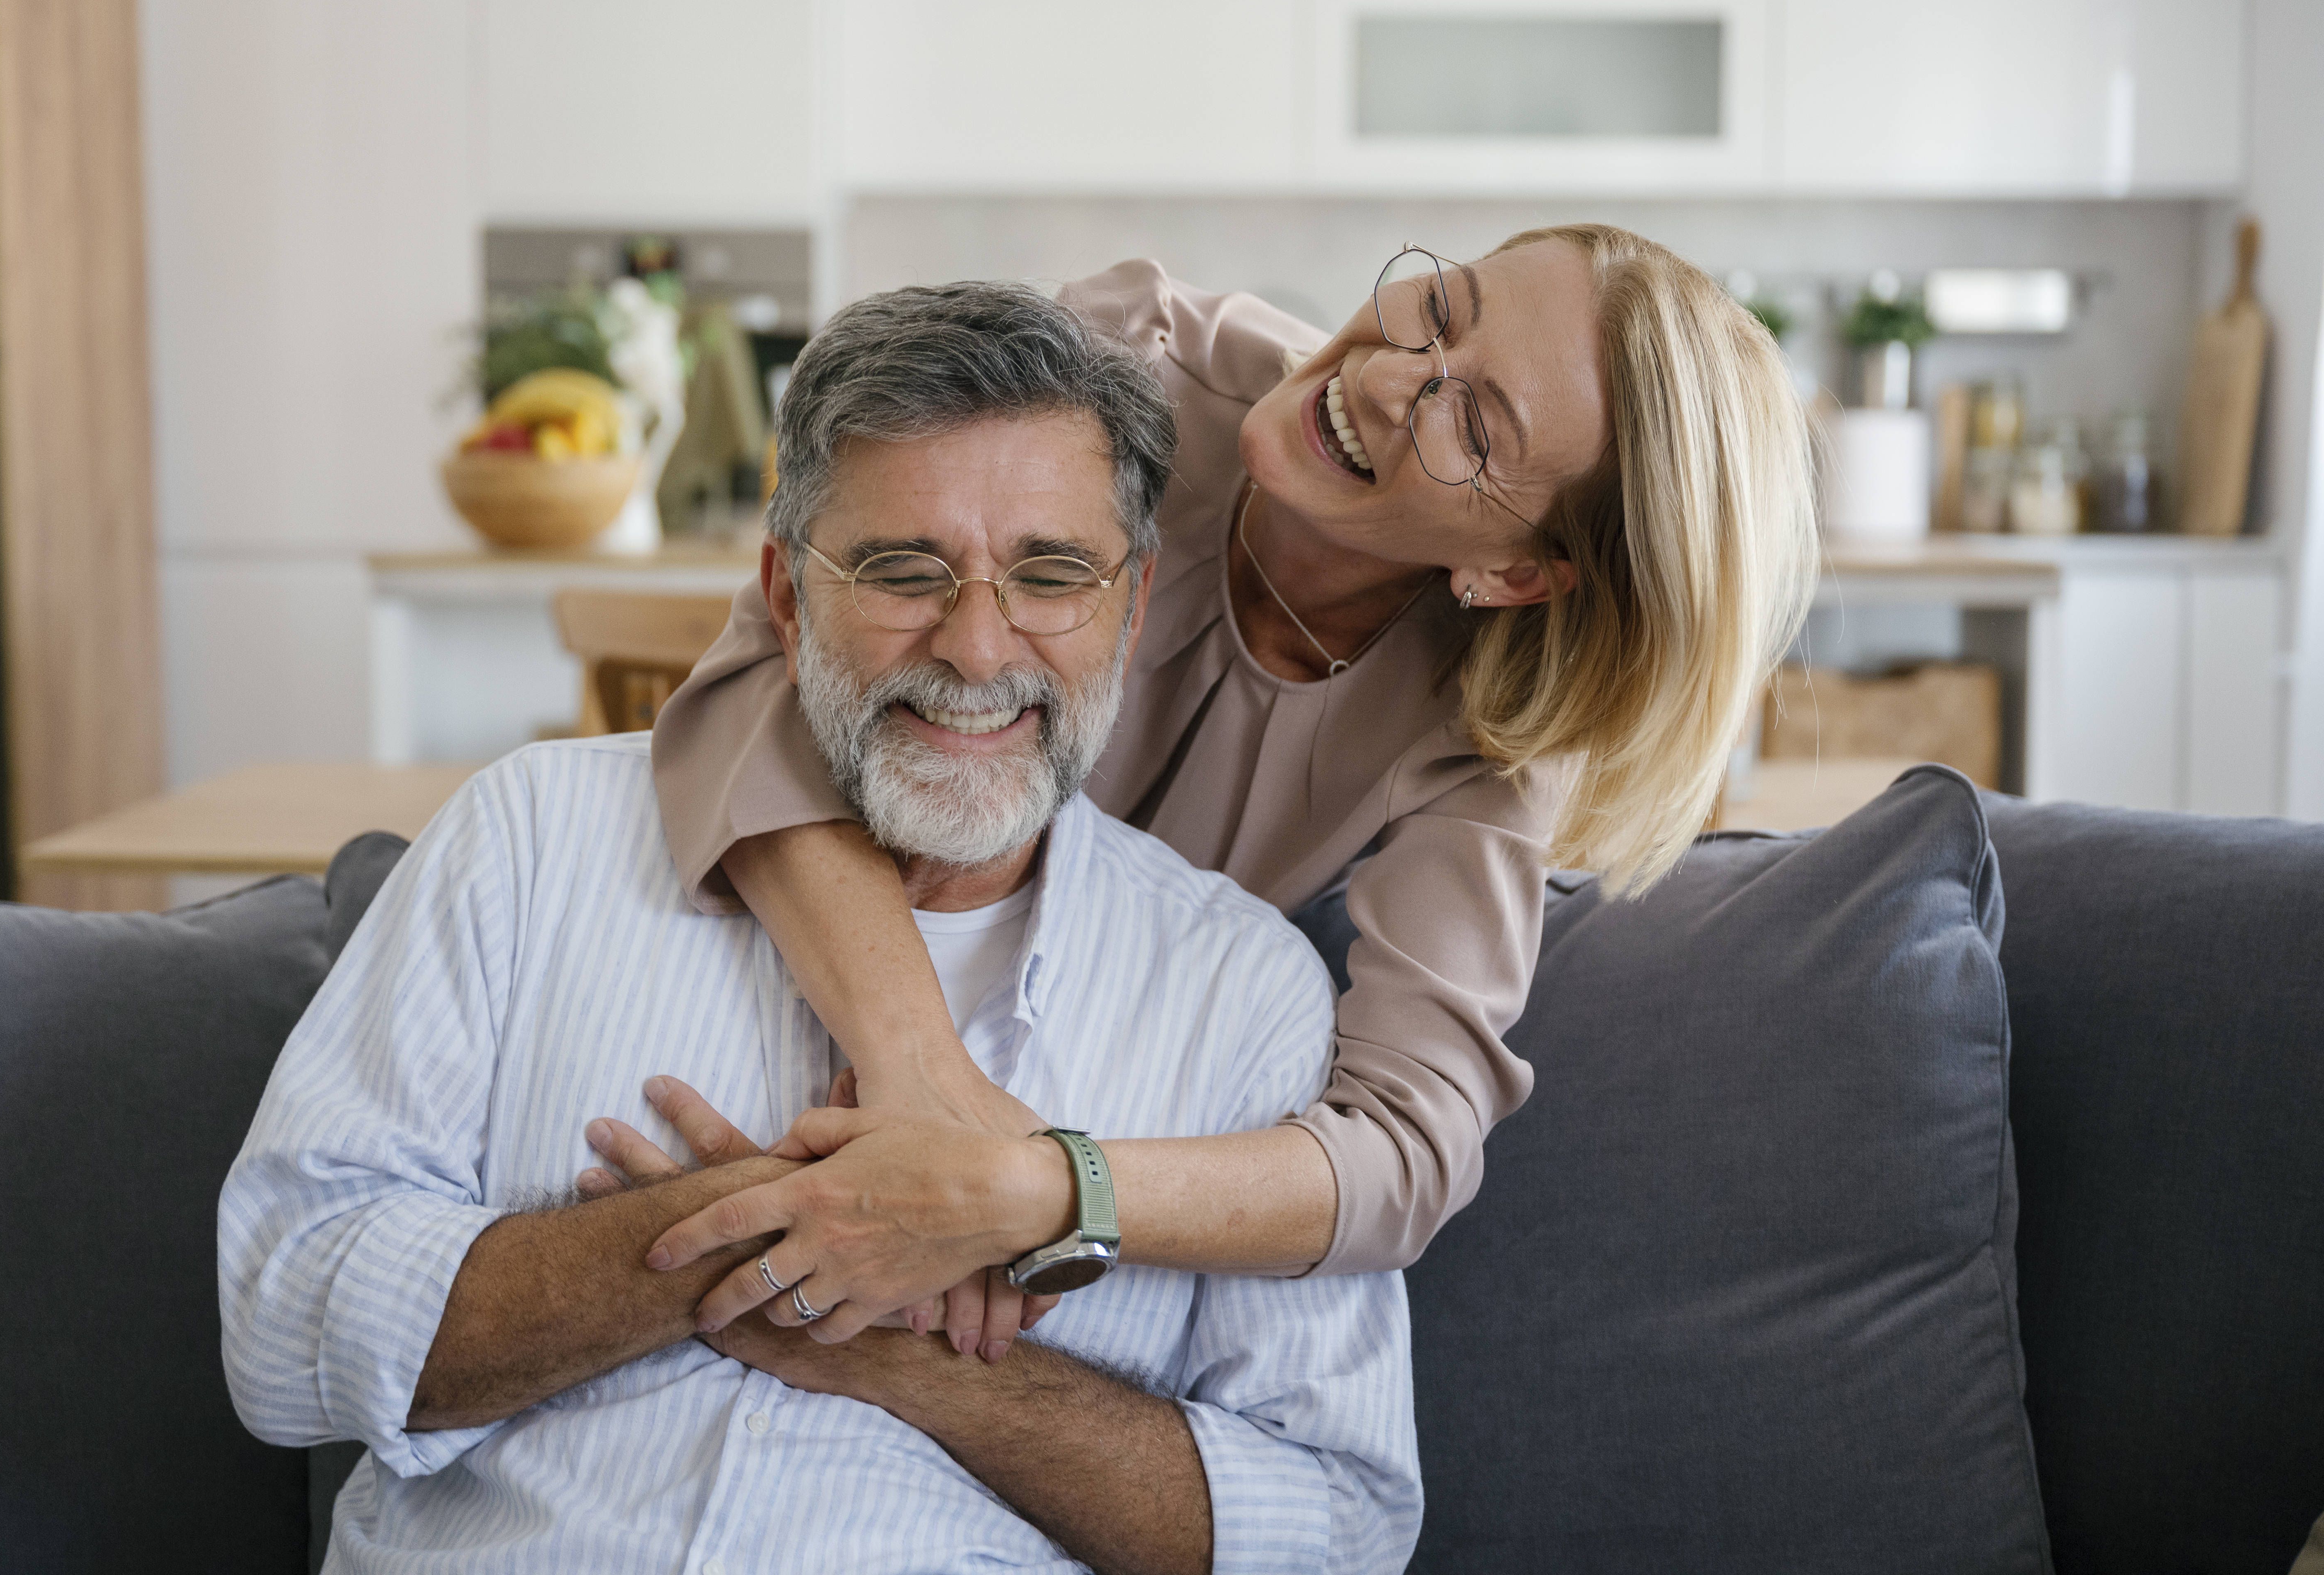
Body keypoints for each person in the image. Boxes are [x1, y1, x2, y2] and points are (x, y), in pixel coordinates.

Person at [218, 281, 1420, 1575]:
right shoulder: (531, 838)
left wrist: (905, 1354)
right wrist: (756, 1230)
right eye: (904, 570)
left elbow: (1333, 1530)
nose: (975, 647)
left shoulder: (1241, 991)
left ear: (1130, 609)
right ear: (786, 599)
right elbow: (283, 1330)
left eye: (1051, 573)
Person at [637, 226, 1821, 1352]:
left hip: (1086, 1118)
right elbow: (767, 674)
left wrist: (1033, 1189)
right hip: (839, 1011)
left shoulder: (1486, 737)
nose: (1388, 376)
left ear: (1517, 572)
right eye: (1438, 308)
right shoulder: (1121, 370)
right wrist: (920, 1075)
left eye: (1475, 423)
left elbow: (1406, 1148)